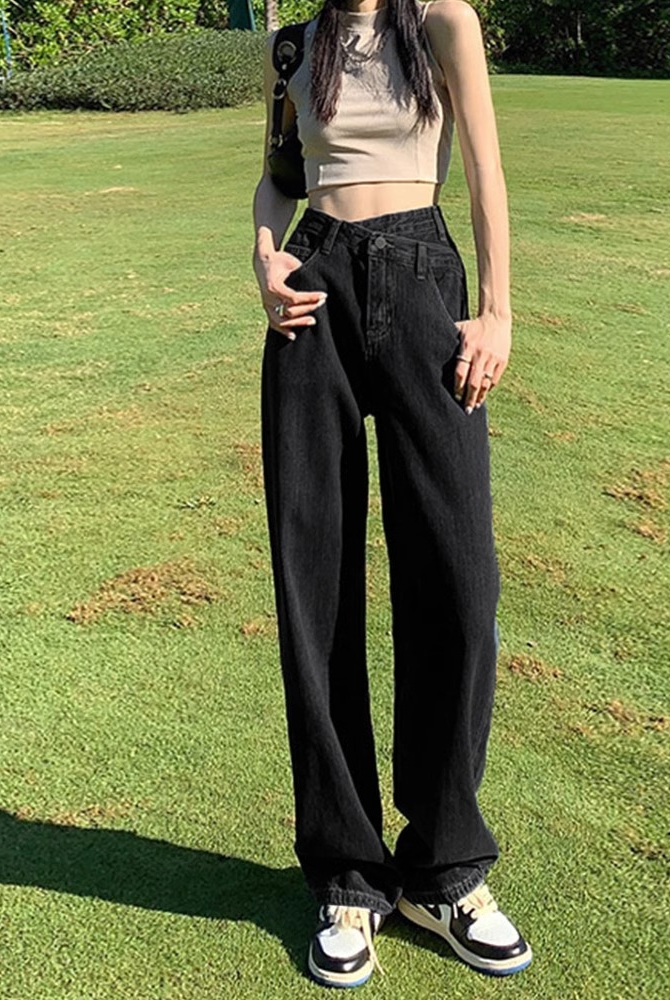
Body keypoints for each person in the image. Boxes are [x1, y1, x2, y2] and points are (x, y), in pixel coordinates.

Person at [251, 0, 532, 988]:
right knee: (313, 578)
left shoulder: (444, 21)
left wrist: (496, 311)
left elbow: (485, 168)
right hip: (314, 294)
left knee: (458, 578)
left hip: (423, 283)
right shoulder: (294, 45)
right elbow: (279, 176)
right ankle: (347, 875)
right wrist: (265, 257)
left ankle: (445, 869)